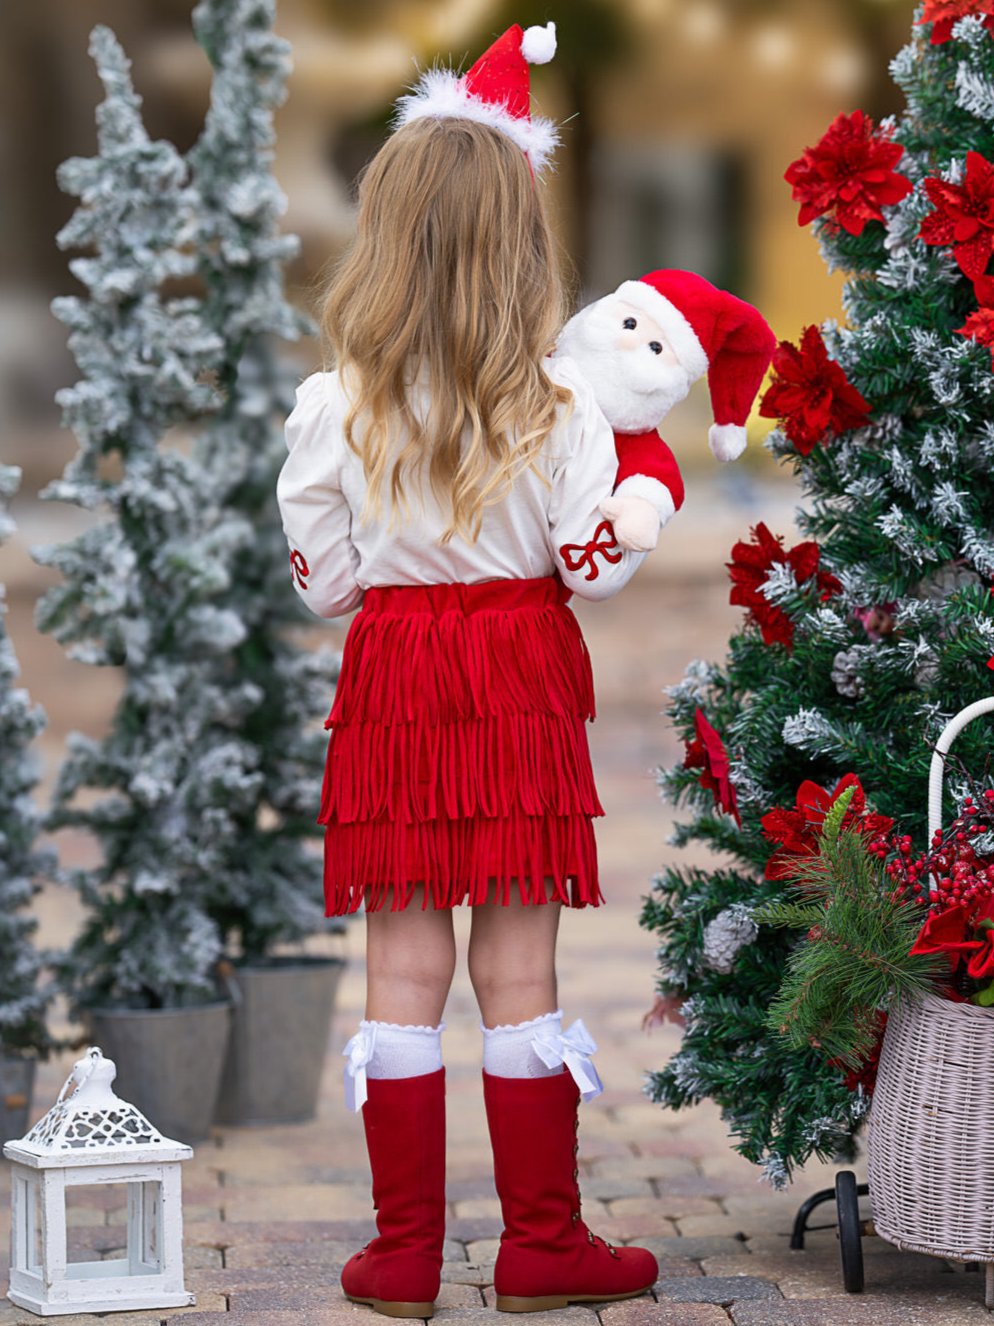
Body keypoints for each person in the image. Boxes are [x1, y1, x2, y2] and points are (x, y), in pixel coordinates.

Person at [276, 21, 663, 1319]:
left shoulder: (337, 405)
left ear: (385, 233)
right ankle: (539, 1244)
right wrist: (647, 489)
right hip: (513, 673)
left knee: (400, 971)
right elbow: (593, 562)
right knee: (517, 970)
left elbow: (325, 583)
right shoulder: (559, 405)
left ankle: (400, 1256)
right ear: (522, 241)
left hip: (394, 678)